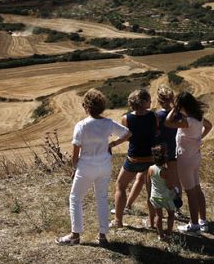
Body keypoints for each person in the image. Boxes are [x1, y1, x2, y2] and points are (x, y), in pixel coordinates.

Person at [57, 89, 130, 246]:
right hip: (104, 165)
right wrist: (113, 144)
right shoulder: (108, 123)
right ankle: (103, 236)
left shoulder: (81, 126)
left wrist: (74, 168)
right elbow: (127, 133)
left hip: (86, 167)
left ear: (87, 107)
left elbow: (76, 151)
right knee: (102, 199)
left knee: (75, 198)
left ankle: (75, 235)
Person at [164, 91, 212, 233]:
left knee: (190, 193)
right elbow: (209, 126)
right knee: (197, 189)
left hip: (185, 160)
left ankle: (194, 224)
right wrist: (199, 138)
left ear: (182, 105)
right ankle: (203, 221)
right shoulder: (198, 118)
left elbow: (167, 122)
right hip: (195, 157)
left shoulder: (187, 122)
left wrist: (174, 109)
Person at [112, 88, 156, 229]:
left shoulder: (126, 118)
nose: (151, 101)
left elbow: (126, 137)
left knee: (120, 186)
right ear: (144, 102)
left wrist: (113, 144)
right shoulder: (154, 116)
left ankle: (118, 221)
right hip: (150, 159)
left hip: (134, 159)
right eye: (149, 99)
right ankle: (152, 222)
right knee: (151, 191)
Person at [154, 85, 184, 217]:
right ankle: (177, 208)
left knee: (157, 180)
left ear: (159, 100)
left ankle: (158, 209)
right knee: (176, 179)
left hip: (159, 150)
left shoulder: (157, 115)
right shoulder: (177, 114)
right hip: (173, 147)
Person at [148, 144, 176, 241]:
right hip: (166, 197)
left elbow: (149, 181)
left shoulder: (150, 168)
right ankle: (168, 233)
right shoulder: (165, 171)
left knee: (158, 215)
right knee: (171, 215)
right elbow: (169, 185)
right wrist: (174, 188)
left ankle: (160, 235)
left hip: (155, 196)